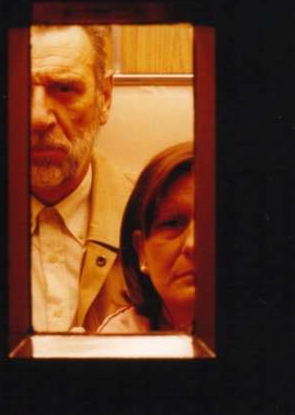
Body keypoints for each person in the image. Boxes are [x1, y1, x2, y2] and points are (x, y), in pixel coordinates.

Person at [28, 24, 135, 333]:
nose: (37, 117)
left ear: (105, 98)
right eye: (16, 88)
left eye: (64, 89)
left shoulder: (155, 220)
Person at [97, 141, 195, 333]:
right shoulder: (117, 339)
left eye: (214, 223)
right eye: (173, 223)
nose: (193, 244)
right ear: (141, 250)